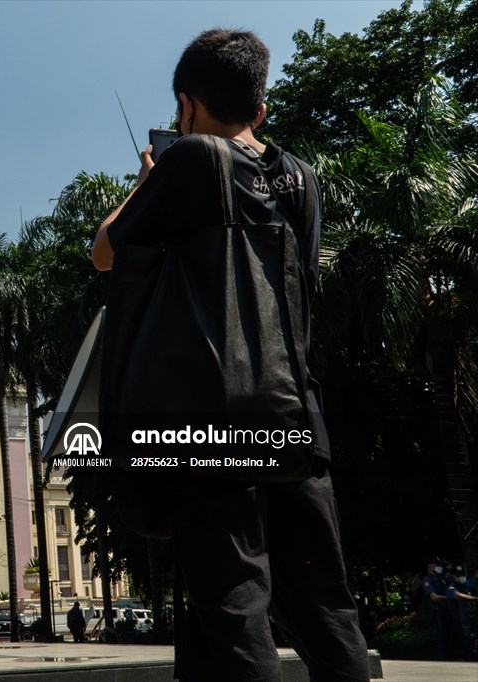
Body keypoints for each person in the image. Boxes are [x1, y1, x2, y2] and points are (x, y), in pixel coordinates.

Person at [91, 29, 369, 681]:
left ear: (186, 105)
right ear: (260, 109)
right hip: (296, 417)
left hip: (217, 423)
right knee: (327, 605)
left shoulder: (191, 163)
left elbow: (108, 250)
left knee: (235, 600)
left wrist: (146, 178)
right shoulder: (301, 177)